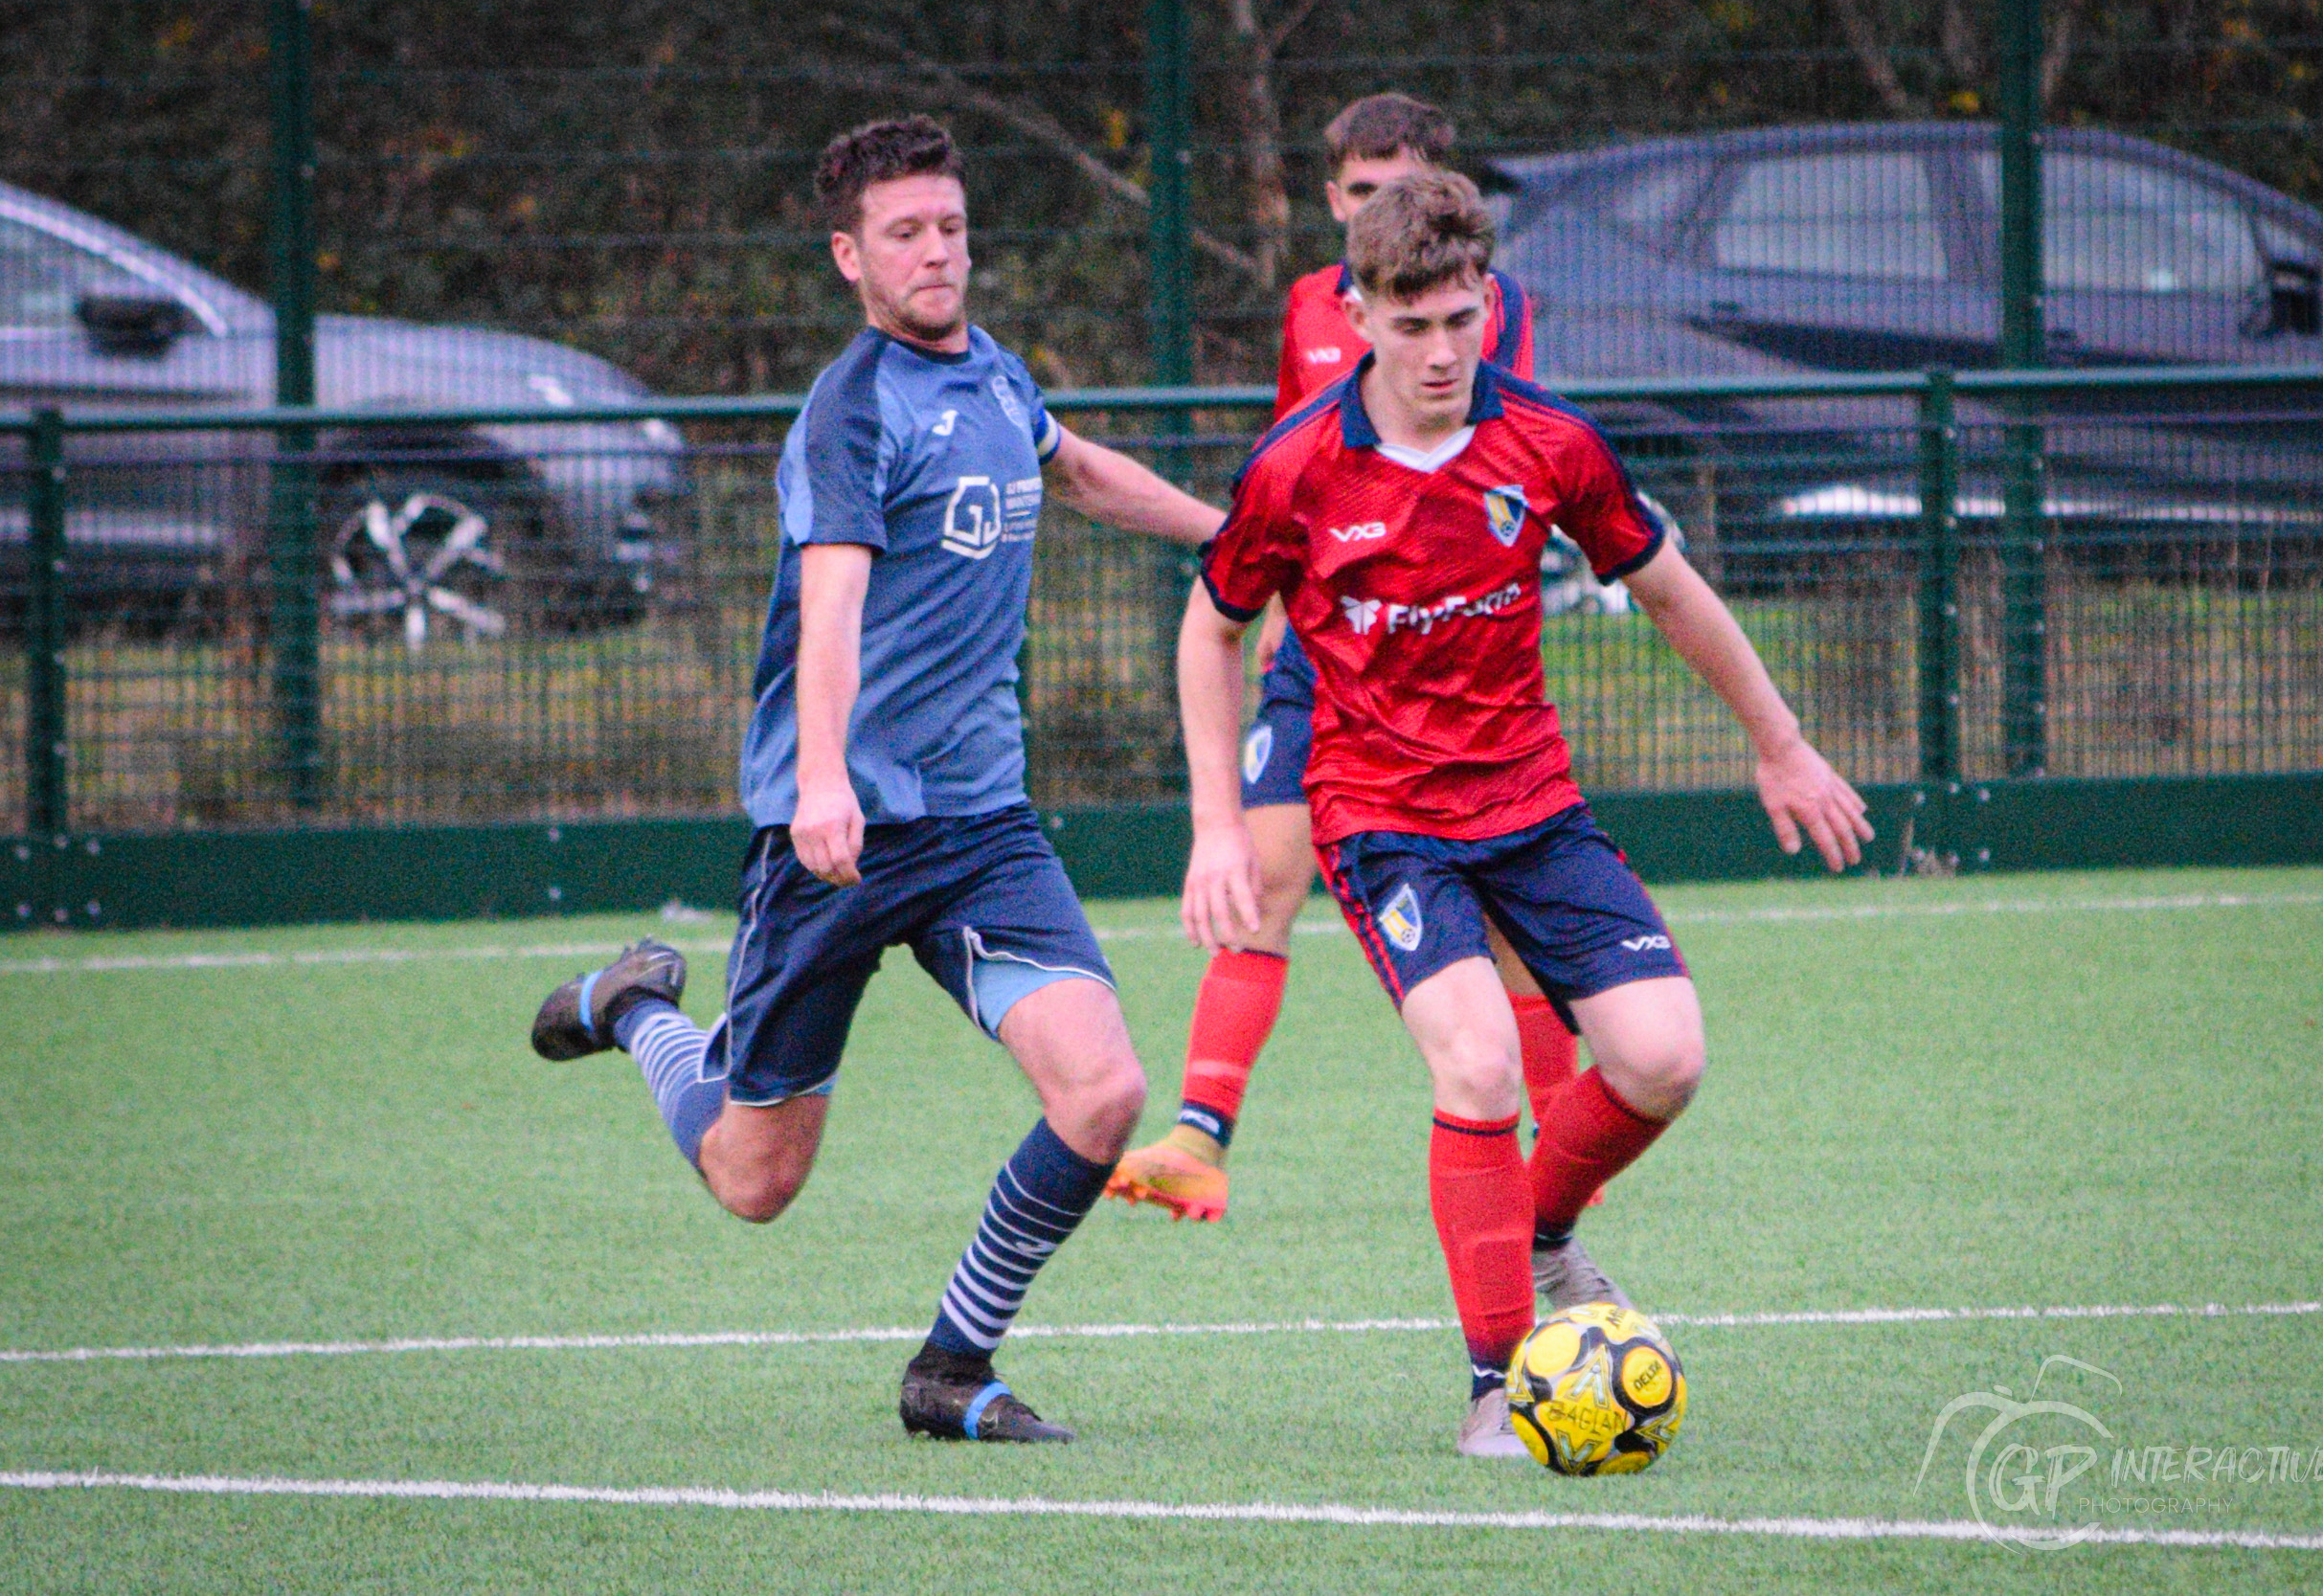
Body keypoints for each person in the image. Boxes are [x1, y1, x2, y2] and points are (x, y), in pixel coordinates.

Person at [527, 116, 1222, 1445]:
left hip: (980, 827)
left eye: (951, 227)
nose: (937, 253)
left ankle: (951, 1368)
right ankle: (638, 1010)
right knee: (753, 1177)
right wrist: (825, 780)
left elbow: (1077, 473)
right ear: (851, 256)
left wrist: (1237, 536)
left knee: (1104, 1091)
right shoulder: (854, 408)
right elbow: (831, 606)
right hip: (835, 832)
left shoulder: (1000, 380)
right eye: (905, 233)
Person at [1177, 172, 1872, 1457]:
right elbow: (1211, 628)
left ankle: (1543, 1229)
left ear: (1487, 302)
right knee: (1484, 1061)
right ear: (1361, 314)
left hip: (1534, 804)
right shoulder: (1298, 468)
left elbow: (1672, 591)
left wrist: (1782, 746)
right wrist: (1221, 820)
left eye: (1461, 318)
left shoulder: (1550, 442)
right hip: (1381, 819)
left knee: (1664, 1059)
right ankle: (1495, 1382)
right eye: (1413, 323)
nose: (1442, 350)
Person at [1105, 91, 1586, 1238]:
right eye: (1363, 193)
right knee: (1265, 876)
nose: (1384, 210)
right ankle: (1198, 1135)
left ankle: (1567, 1156)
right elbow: (1300, 450)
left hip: (1441, 658)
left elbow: (1476, 455)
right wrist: (1278, 589)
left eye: (1404, 189)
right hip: (1320, 645)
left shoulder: (1481, 312)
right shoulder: (1307, 310)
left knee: (1509, 915)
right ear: (1332, 201)